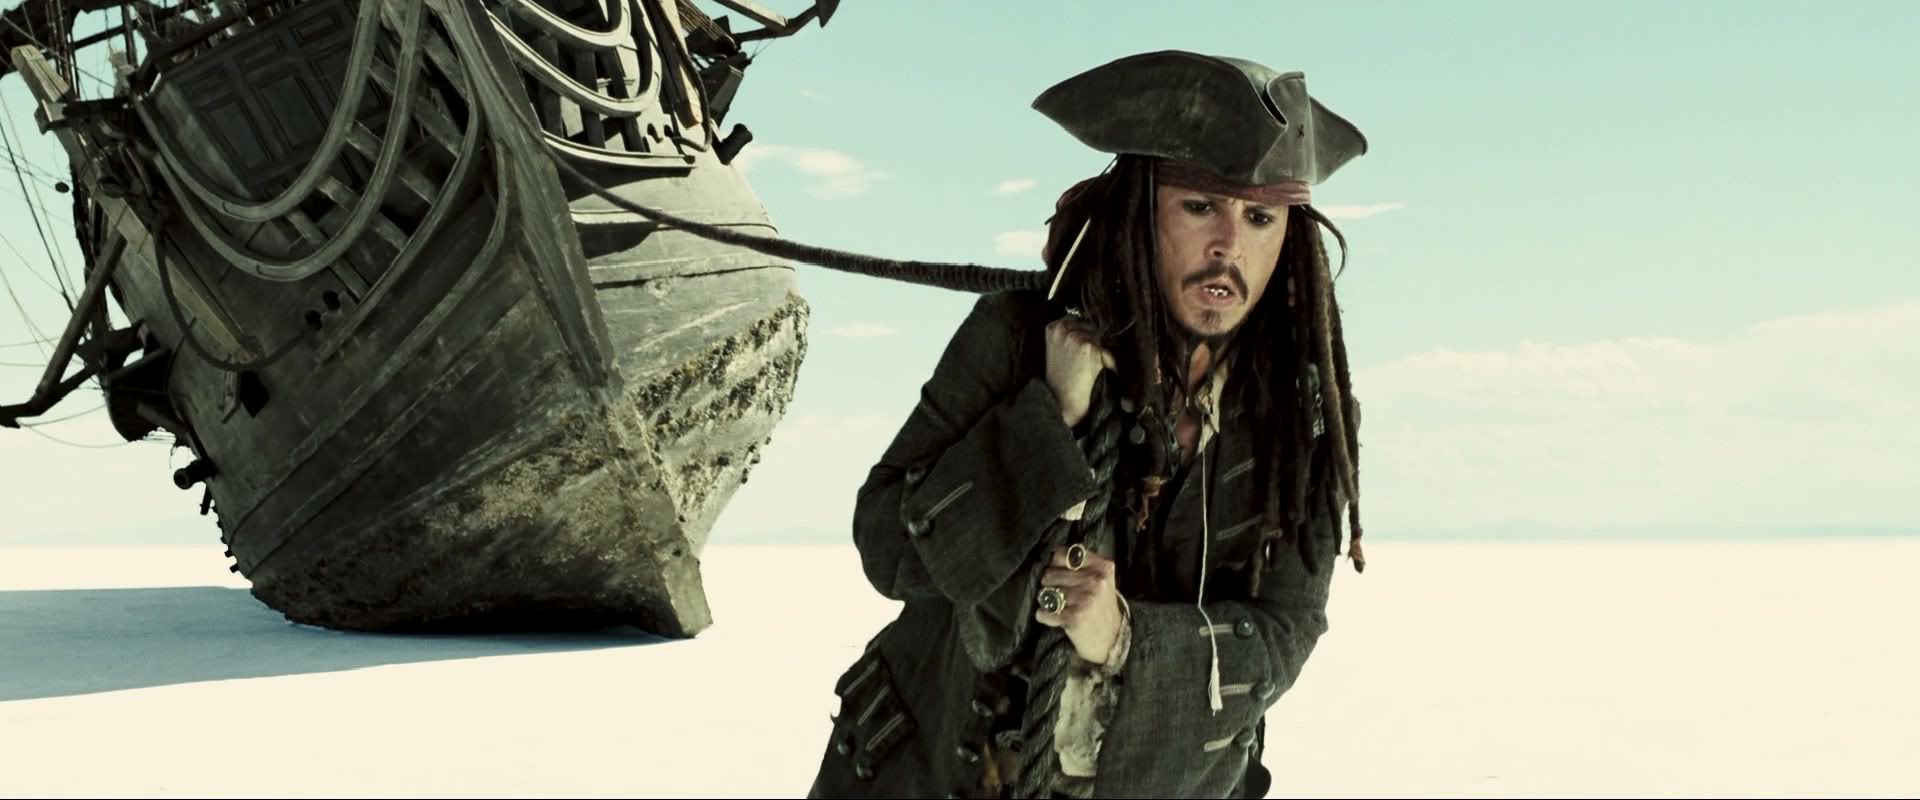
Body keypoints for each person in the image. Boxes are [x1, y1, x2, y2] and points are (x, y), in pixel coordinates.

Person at [805, 49, 1371, 799]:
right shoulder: (1017, 341)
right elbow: (887, 547)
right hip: (939, 770)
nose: (1229, 246)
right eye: (1199, 207)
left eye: (1259, 218)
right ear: (1143, 211)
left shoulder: (1303, 417)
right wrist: (1046, 419)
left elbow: (1285, 631)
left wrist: (1126, 638)